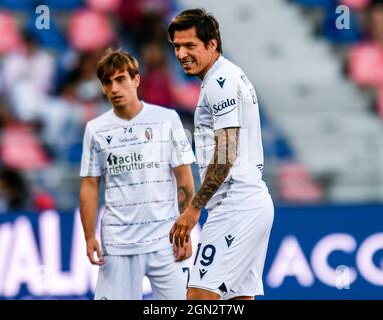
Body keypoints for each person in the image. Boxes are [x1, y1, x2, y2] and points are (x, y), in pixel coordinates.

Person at [168, 8, 275, 300]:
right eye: (176, 46)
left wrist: (193, 209)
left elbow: (226, 153)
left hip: (235, 206)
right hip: (251, 203)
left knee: (199, 299)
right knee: (237, 300)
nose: (181, 54)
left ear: (212, 44)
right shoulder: (227, 76)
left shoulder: (220, 83)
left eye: (190, 45)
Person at [79, 49, 196, 300]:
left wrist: (185, 231)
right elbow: (89, 184)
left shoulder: (167, 119)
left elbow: (184, 176)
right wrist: (89, 236)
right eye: (107, 82)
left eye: (120, 79)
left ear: (136, 80)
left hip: (166, 240)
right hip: (118, 243)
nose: (114, 88)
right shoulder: (95, 129)